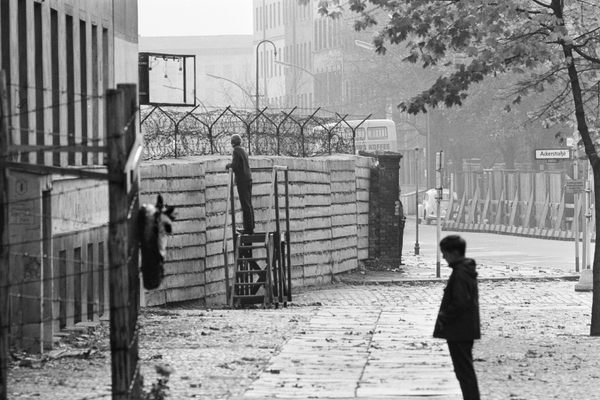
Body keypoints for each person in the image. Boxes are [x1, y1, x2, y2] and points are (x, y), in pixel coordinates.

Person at [433, 235, 480, 400]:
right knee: (464, 370)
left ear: (454, 253)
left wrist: (444, 316)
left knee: (464, 372)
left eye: (445, 253)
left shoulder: (460, 273)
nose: (444, 257)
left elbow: (460, 302)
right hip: (464, 328)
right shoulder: (465, 270)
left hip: (459, 329)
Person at [226, 134, 255, 234]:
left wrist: (227, 165)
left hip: (242, 180)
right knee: (249, 203)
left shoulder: (236, 150)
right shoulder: (243, 150)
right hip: (248, 178)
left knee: (245, 204)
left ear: (232, 142)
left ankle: (248, 228)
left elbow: (235, 165)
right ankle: (251, 226)